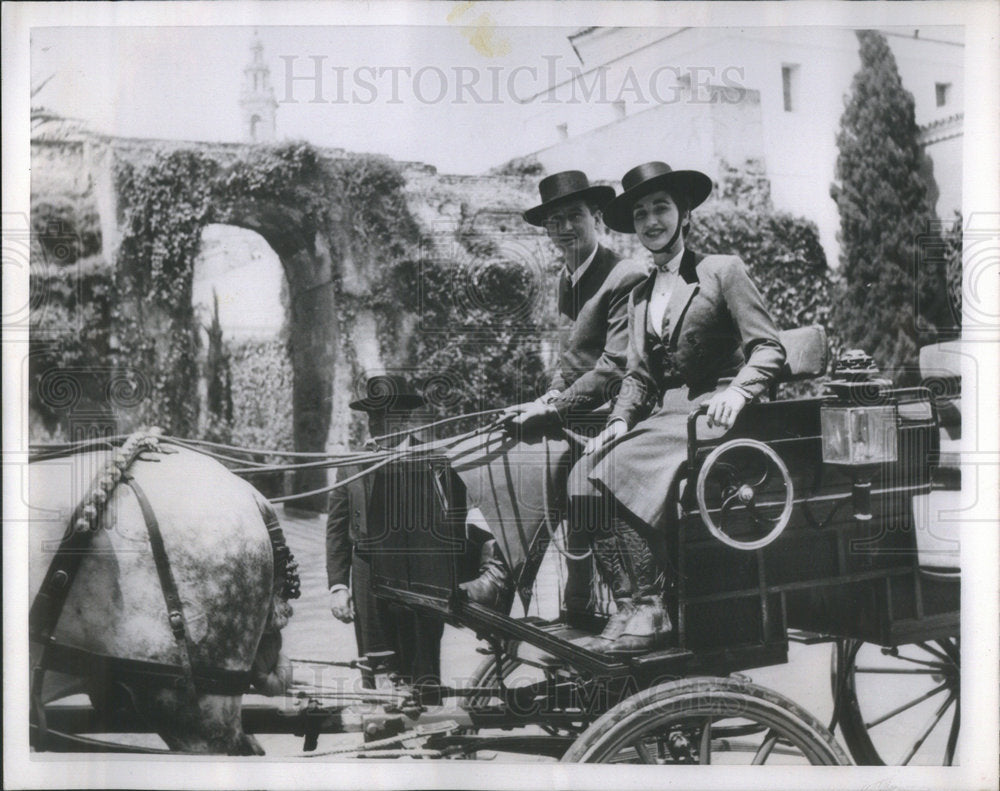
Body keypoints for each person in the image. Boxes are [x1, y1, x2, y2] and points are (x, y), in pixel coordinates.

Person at [567, 161, 786, 654]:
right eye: (640, 213)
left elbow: (769, 348)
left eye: (661, 207)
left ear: (684, 213)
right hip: (665, 416)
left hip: (718, 413)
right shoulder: (641, 292)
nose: (651, 221)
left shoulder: (721, 270)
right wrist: (620, 420)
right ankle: (626, 605)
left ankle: (653, 606)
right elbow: (639, 376)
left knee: (619, 467)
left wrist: (738, 391)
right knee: (582, 474)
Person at [458, 170, 649, 614]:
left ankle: (510, 582)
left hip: (619, 412)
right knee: (494, 443)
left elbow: (614, 367)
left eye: (574, 216)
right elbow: (569, 366)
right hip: (579, 410)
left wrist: (554, 411)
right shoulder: (566, 279)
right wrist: (545, 398)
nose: (564, 228)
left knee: (541, 451)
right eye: (554, 221)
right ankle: (497, 577)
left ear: (596, 217)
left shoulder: (624, 276)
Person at [326, 374, 444, 689]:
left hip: (419, 576)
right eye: (372, 416)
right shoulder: (351, 464)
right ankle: (381, 725)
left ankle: (432, 729)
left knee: (421, 659)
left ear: (404, 418)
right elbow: (336, 529)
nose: (375, 424)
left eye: (384, 415)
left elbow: (452, 524)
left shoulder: (433, 459)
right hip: (368, 573)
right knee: (376, 660)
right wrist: (339, 586)